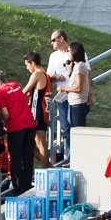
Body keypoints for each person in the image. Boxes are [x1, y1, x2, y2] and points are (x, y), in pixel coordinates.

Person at [0, 69, 37, 197]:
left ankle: (18, 189)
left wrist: (4, 123)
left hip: (16, 127)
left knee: (15, 158)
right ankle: (27, 186)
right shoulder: (15, 85)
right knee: (28, 157)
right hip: (30, 124)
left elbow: (5, 113)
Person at [21, 52, 53, 169]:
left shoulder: (37, 75)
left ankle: (46, 170)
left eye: (27, 65)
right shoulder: (46, 75)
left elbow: (23, 92)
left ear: (33, 63)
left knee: (40, 143)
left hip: (37, 113)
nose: (27, 68)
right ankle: (49, 167)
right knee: (30, 144)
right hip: (43, 112)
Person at [47, 30, 73, 164]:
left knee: (74, 126)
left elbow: (87, 70)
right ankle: (68, 158)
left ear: (61, 38)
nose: (51, 43)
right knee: (65, 127)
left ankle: (74, 157)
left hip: (75, 93)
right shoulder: (54, 56)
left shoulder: (74, 51)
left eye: (53, 40)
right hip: (62, 94)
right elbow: (48, 75)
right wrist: (56, 76)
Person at [57, 42, 92, 129]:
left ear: (74, 52)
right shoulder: (78, 66)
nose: (67, 53)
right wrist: (70, 72)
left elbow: (78, 87)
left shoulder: (80, 66)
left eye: (68, 51)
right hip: (76, 103)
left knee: (77, 131)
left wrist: (63, 88)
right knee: (74, 129)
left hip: (78, 104)